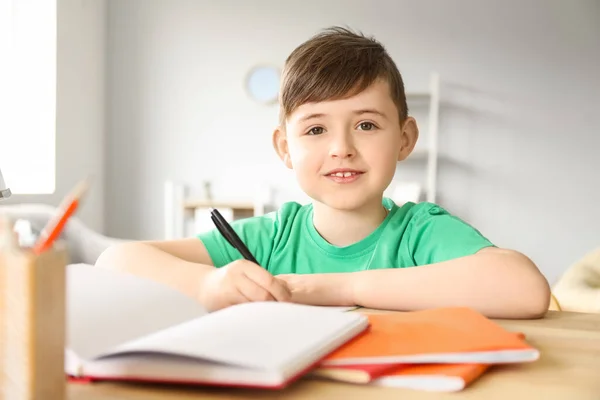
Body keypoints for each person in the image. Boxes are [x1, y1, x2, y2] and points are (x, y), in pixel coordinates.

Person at [96, 26, 551, 319]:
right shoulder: (269, 238)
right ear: (285, 148)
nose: (342, 149)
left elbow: (525, 289)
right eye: (315, 129)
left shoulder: (419, 233)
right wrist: (208, 285)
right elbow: (115, 261)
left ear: (405, 139)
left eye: (367, 125)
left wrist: (337, 287)